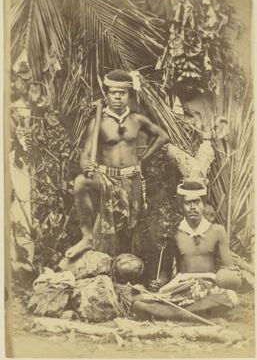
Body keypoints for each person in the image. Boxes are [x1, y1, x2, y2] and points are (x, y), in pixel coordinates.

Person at [65, 69, 169, 259]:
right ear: (107, 94)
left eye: (123, 93)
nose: (118, 97)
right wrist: (86, 165)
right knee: (81, 182)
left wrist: (142, 158)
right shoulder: (99, 122)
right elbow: (86, 153)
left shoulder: (137, 120)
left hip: (132, 180)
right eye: (114, 93)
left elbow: (162, 136)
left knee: (136, 228)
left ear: (129, 95)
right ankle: (87, 237)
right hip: (106, 178)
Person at [132, 181, 242, 320]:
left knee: (228, 298)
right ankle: (195, 316)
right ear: (181, 206)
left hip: (209, 286)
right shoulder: (173, 232)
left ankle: (173, 315)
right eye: (188, 203)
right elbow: (165, 270)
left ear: (204, 205)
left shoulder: (217, 231)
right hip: (182, 286)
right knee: (138, 302)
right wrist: (158, 282)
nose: (193, 207)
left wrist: (232, 277)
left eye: (197, 202)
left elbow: (229, 268)